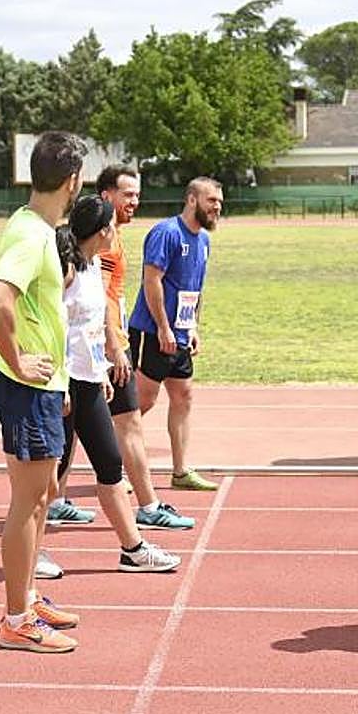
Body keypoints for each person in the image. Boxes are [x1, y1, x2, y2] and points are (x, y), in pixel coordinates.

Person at [0, 131, 85, 653]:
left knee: (43, 494)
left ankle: (28, 594)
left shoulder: (36, 228)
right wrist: (21, 360)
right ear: (74, 181)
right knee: (28, 500)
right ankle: (16, 617)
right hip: (25, 386)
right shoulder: (33, 236)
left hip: (41, 386)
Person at [54, 196, 181, 574]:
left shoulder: (94, 266)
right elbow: (51, 325)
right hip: (63, 386)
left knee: (109, 466)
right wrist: (59, 383)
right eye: (112, 224)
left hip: (91, 380)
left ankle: (134, 549)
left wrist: (103, 366)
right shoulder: (67, 269)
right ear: (102, 229)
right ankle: (31, 550)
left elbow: (96, 324)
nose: (117, 231)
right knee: (47, 479)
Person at [96, 164, 197, 529]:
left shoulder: (115, 234)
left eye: (138, 195)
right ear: (107, 196)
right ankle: (147, 507)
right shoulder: (103, 238)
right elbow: (100, 295)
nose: (135, 202)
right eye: (128, 195)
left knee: (119, 419)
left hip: (106, 343)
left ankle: (60, 496)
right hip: (103, 347)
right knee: (124, 419)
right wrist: (114, 343)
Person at [126, 176, 223, 492]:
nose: (217, 207)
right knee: (141, 401)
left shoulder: (204, 241)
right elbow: (151, 281)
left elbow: (196, 287)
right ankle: (117, 467)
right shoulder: (166, 233)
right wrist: (164, 327)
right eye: (211, 201)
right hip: (152, 332)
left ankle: (180, 471)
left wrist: (193, 325)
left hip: (180, 334)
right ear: (192, 200)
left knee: (183, 396)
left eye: (219, 202)